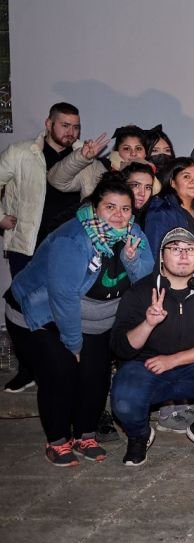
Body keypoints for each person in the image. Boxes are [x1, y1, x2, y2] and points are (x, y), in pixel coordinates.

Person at [11, 172, 154, 466]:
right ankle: (57, 440)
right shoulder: (73, 238)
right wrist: (73, 344)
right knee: (60, 371)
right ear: (95, 206)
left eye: (125, 208)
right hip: (41, 314)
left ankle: (84, 433)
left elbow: (145, 280)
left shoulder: (134, 235)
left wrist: (130, 258)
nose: (118, 215)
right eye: (110, 207)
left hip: (94, 321)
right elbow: (62, 296)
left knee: (96, 375)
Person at [109, 227, 194, 466]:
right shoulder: (140, 292)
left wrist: (174, 360)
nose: (184, 255)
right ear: (162, 255)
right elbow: (121, 347)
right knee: (124, 397)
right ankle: (139, 435)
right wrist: (148, 324)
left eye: (190, 249)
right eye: (175, 249)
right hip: (146, 366)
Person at [0, 102, 82, 393]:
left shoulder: (84, 154)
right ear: (49, 124)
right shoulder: (21, 153)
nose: (70, 132)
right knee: (23, 308)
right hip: (27, 243)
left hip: (68, 249)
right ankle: (28, 369)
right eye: (64, 125)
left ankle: (59, 365)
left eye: (75, 126)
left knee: (62, 306)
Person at [48, 125, 150, 200]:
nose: (133, 154)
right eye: (126, 148)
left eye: (138, 148)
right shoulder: (94, 169)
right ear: (116, 151)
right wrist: (81, 157)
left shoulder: (154, 179)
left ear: (146, 153)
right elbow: (56, 180)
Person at [144, 157, 194, 254]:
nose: (193, 181)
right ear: (172, 182)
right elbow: (155, 254)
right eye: (186, 177)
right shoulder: (161, 212)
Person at [120, 162, 160, 228]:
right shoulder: (112, 217)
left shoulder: (151, 216)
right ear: (123, 185)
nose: (142, 193)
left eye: (147, 187)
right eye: (136, 185)